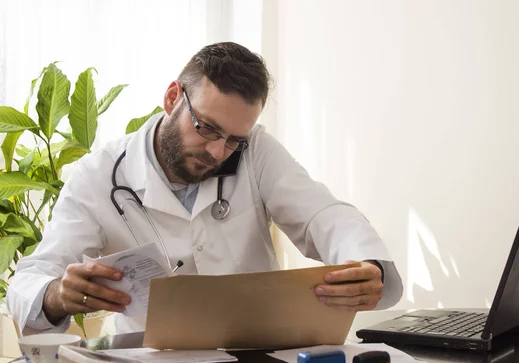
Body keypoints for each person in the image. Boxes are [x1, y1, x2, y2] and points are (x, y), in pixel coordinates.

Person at [7, 42, 403, 334]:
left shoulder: (256, 150)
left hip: (252, 353)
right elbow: (33, 276)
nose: (218, 151)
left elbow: (323, 213)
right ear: (172, 97)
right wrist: (56, 295)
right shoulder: (98, 176)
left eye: (234, 139)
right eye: (207, 128)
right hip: (144, 362)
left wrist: (363, 264)